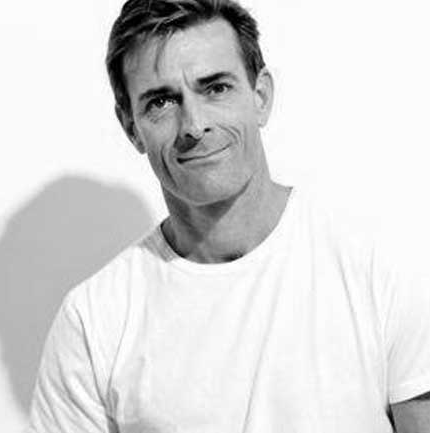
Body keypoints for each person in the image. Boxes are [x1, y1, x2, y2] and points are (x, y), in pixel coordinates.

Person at [28, 0, 430, 432]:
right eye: (161, 101)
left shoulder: (379, 266)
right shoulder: (93, 321)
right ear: (131, 128)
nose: (193, 125)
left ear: (261, 96)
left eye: (215, 88)